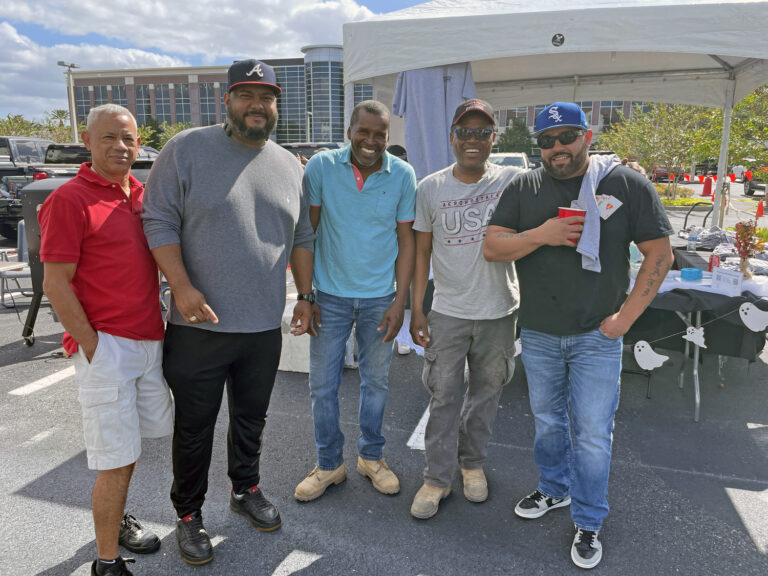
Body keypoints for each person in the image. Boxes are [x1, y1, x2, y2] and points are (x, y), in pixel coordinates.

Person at [484, 102, 674, 569]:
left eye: (566, 136)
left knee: (591, 435)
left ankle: (589, 519)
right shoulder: (525, 185)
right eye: (546, 141)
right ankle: (554, 489)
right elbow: (492, 245)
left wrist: (625, 320)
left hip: (598, 336)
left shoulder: (623, 184)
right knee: (548, 422)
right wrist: (543, 234)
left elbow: (659, 255)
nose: (556, 148)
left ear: (587, 135)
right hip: (541, 334)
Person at [142, 59, 315, 566]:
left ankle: (246, 490)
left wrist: (305, 296)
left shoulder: (288, 164)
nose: (257, 105)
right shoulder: (186, 149)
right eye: (246, 94)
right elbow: (157, 221)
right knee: (195, 427)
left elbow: (301, 236)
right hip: (199, 326)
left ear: (276, 105)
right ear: (228, 100)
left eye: (266, 97)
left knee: (251, 419)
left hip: (263, 325)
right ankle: (189, 515)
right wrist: (181, 286)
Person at [40, 104, 173, 576]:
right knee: (115, 460)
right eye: (109, 138)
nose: (121, 147)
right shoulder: (70, 199)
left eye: (129, 139)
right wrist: (93, 345)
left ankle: (115, 522)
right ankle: (107, 561)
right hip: (108, 348)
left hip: (148, 343)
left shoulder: (141, 193)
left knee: (129, 449)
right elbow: (55, 283)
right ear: (87, 139)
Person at [294, 100, 416, 502]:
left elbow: (405, 240)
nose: (371, 141)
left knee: (376, 383)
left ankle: (371, 458)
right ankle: (330, 464)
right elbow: (306, 235)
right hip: (329, 297)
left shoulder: (401, 175)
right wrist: (306, 295)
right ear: (350, 131)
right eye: (363, 131)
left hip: (380, 299)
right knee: (322, 386)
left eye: (379, 134)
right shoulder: (321, 167)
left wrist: (401, 301)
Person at [409, 99, 521, 519]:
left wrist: (618, 172)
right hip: (449, 311)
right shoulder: (431, 188)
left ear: (494, 139)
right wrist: (418, 310)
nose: (473, 140)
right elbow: (421, 254)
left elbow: (566, 178)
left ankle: (471, 464)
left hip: (499, 311)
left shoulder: (514, 180)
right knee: (444, 396)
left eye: (482, 133)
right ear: (452, 138)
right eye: (465, 132)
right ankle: (437, 478)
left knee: (487, 394)